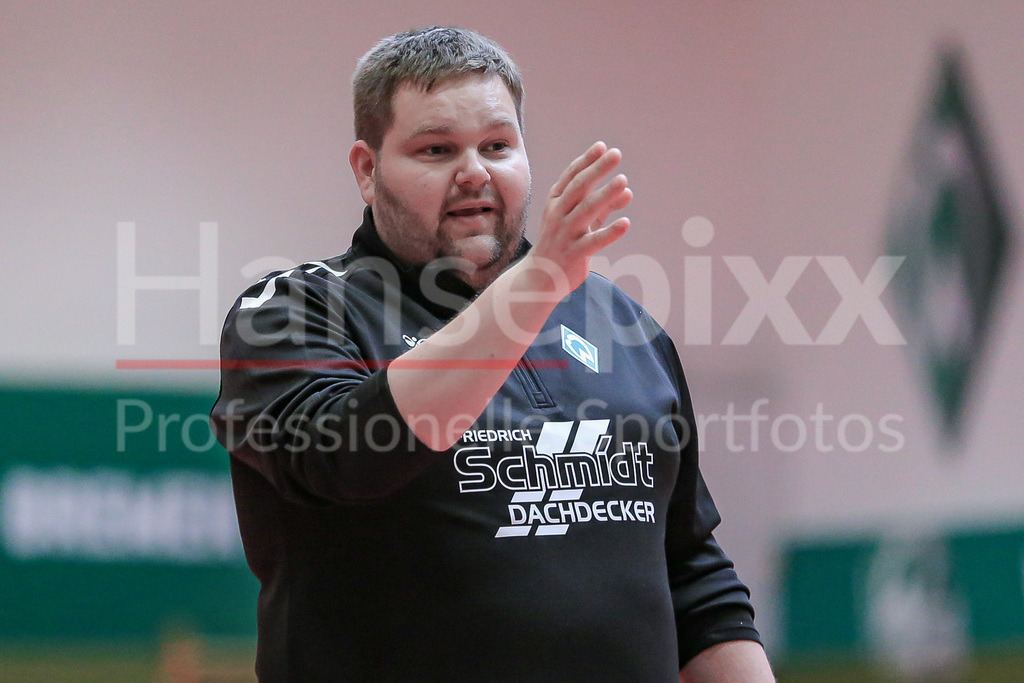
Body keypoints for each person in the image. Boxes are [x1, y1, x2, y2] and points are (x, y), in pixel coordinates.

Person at [211, 26, 773, 682]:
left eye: (498, 145)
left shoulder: (624, 325)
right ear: (368, 171)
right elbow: (349, 454)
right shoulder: (294, 311)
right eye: (436, 148)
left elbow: (693, 577)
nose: (475, 171)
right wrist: (533, 288)